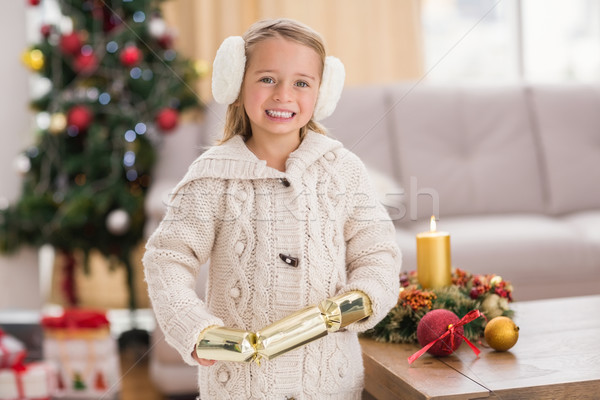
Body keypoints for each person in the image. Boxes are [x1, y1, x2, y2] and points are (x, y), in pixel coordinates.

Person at [143, 18, 401, 399]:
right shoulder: (213, 177)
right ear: (236, 83)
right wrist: (195, 329)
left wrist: (353, 305)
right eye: (267, 79)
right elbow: (167, 257)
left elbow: (377, 253)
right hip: (242, 388)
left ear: (321, 93)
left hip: (329, 386)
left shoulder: (343, 170)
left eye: (301, 82)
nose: (283, 94)